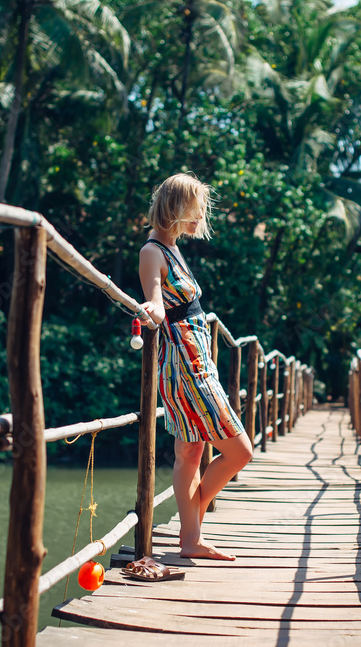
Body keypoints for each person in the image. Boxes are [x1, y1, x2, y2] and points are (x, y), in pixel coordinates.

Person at [137, 173, 254, 561]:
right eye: (196, 208)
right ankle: (192, 530)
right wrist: (150, 309)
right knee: (240, 452)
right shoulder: (152, 251)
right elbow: (155, 298)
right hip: (185, 365)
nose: (200, 216)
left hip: (194, 359)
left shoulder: (172, 248)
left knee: (190, 451)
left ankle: (190, 539)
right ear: (176, 207)